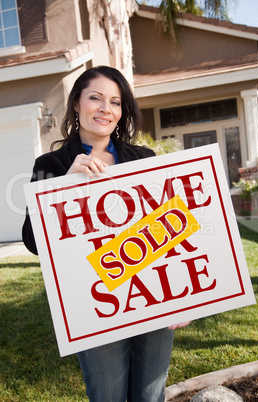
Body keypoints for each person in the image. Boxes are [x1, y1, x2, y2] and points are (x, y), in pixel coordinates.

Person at [22, 65, 190, 402]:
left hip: (152, 293)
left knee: (150, 395)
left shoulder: (143, 158)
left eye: (115, 102)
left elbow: (170, 231)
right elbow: (32, 241)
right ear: (76, 105)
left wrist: (180, 297)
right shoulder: (51, 164)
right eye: (95, 98)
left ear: (121, 112)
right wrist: (66, 185)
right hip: (94, 301)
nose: (105, 108)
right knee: (107, 395)